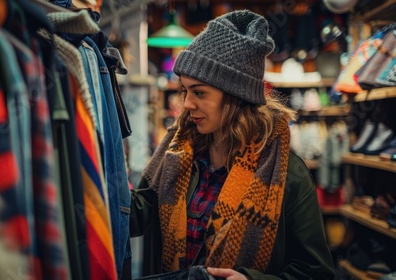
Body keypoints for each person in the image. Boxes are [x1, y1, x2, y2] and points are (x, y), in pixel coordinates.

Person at [129, 10, 335, 280]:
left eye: (199, 92)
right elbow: (137, 215)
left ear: (235, 97)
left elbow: (316, 272)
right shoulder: (177, 152)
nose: (187, 104)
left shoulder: (285, 173)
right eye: (185, 91)